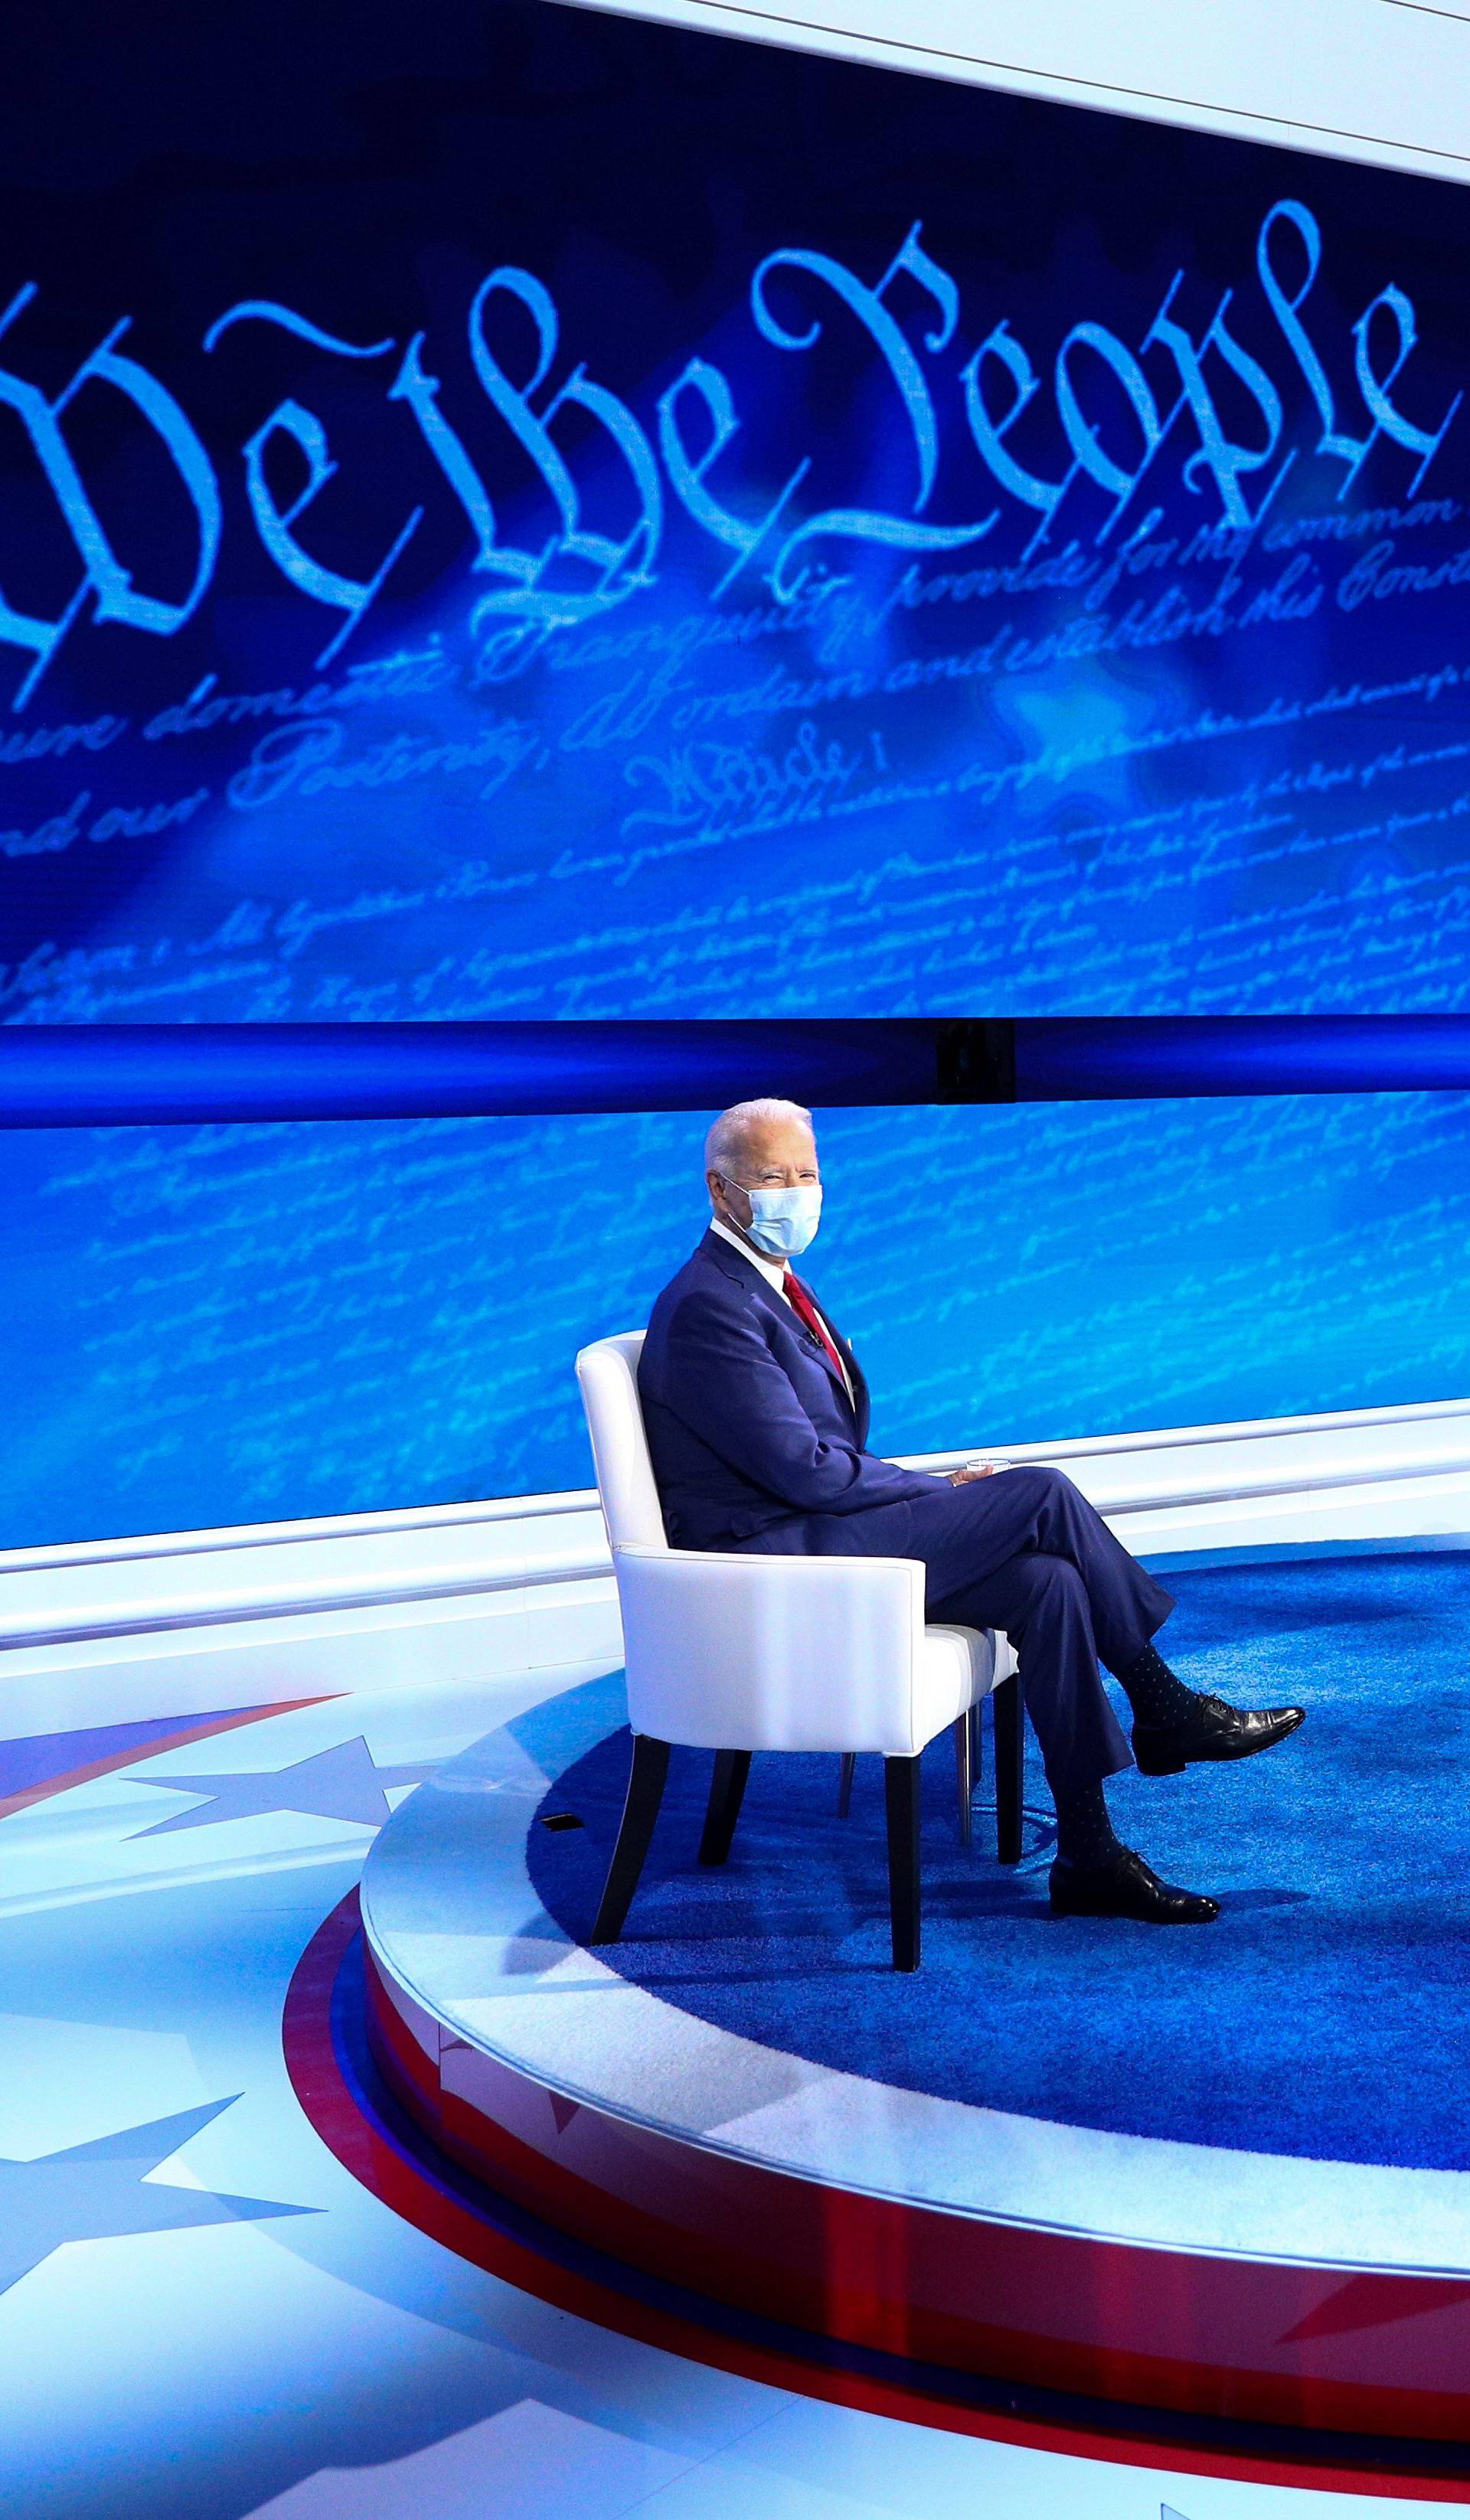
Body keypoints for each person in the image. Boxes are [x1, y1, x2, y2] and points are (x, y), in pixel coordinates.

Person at [637, 1098, 1305, 1924]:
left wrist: (934, 1487)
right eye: (773, 1176)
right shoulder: (711, 1304)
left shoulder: (769, 1286)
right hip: (781, 1564)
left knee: (1049, 1584)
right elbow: (803, 1471)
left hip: (821, 1532)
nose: (796, 1192)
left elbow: (817, 1458)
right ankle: (1165, 1705)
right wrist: (939, 1492)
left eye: (806, 1173)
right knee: (1042, 1491)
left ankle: (1090, 1854)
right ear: (720, 1188)